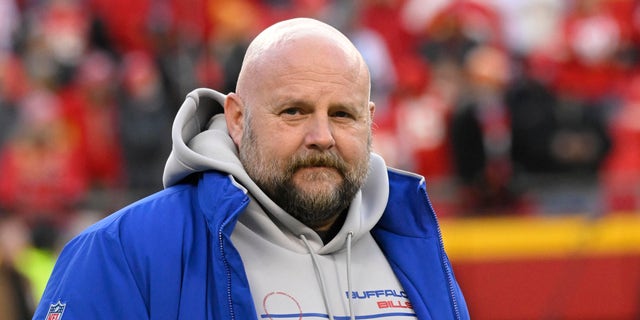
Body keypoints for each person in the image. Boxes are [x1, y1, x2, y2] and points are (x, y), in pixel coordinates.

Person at [33, 18, 469, 319]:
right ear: (238, 119)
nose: (322, 135)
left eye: (342, 114)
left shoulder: (417, 251)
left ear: (370, 120)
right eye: (294, 112)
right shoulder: (120, 253)